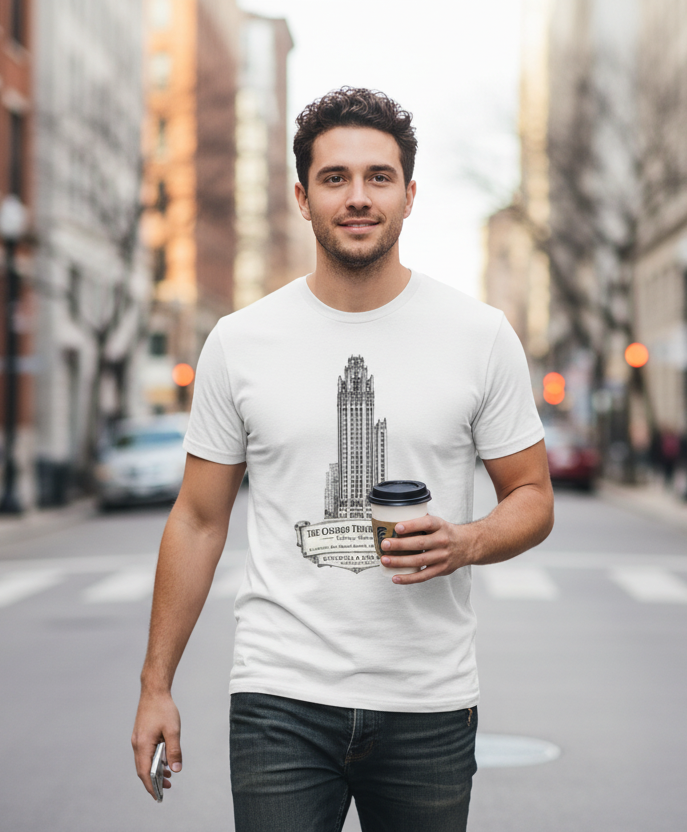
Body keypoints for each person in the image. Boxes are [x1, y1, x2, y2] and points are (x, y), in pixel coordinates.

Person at [130, 87, 554, 832]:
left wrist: (467, 542)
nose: (358, 198)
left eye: (378, 177)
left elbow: (532, 496)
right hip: (279, 697)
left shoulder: (479, 335)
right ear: (302, 196)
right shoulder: (240, 341)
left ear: (410, 194)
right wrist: (155, 684)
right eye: (335, 179)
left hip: (428, 699)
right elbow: (198, 519)